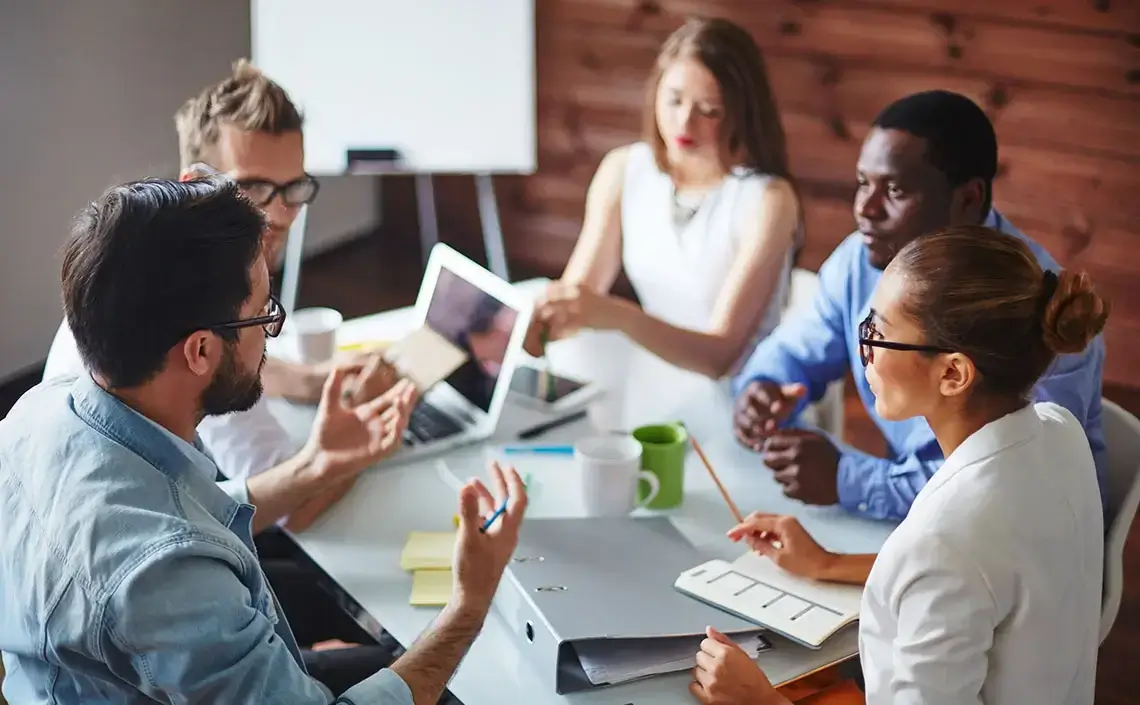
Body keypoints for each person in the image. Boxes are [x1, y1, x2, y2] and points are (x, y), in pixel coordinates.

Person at [0, 178, 529, 704]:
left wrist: (318, 465)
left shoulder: (41, 411)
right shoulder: (168, 579)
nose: (270, 335)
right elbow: (165, 554)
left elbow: (171, 518)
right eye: (263, 313)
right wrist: (468, 604)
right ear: (200, 351)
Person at [39, 61, 408, 693]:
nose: (282, 215)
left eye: (294, 188)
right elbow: (278, 513)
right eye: (256, 189)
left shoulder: (125, 296)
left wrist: (310, 381)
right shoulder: (197, 347)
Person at [690, 226, 1108, 705]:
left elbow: (953, 565)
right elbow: (984, 583)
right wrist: (825, 563)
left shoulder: (945, 540)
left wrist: (760, 700)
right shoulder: (1059, 432)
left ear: (953, 373)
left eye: (878, 333)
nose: (862, 349)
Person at [732, 90, 1107, 521]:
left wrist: (849, 479)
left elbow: (1004, 490)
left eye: (893, 189)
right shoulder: (861, 259)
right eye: (862, 183)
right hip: (928, 527)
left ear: (967, 199)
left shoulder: (1035, 308)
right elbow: (796, 352)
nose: (865, 209)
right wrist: (762, 389)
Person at [530, 16, 801, 379]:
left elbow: (718, 357)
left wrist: (615, 315)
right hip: (657, 377)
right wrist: (528, 329)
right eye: (674, 100)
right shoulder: (625, 169)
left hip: (746, 397)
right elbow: (578, 298)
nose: (685, 123)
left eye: (709, 110)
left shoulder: (769, 200)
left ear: (740, 112)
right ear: (655, 90)